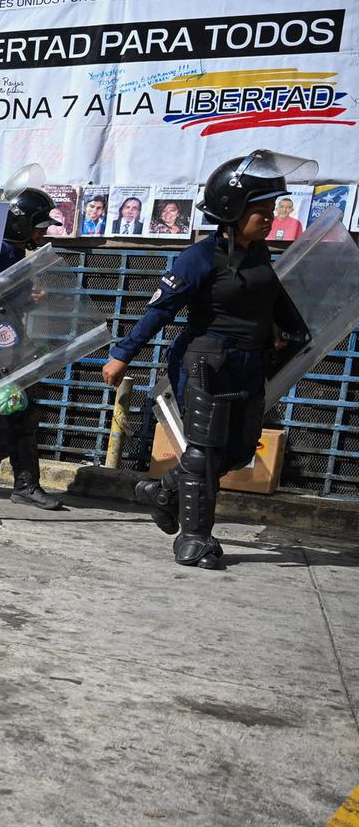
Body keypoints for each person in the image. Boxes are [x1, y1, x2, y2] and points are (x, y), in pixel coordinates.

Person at [101, 150, 313, 570]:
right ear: (233, 210)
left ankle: (161, 493)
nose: (269, 216)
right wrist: (123, 355)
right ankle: (194, 539)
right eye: (260, 209)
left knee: (235, 452)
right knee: (203, 451)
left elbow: (269, 299)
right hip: (207, 361)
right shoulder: (199, 257)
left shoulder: (258, 255)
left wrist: (285, 332)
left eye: (271, 208)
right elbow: (160, 310)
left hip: (249, 363)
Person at [0, 186, 65, 510]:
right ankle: (26, 484)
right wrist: (27, 298)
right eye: (39, 225)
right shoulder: (6, 252)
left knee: (14, 411)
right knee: (20, 412)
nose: (42, 232)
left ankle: (26, 483)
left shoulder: (11, 250)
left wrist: (27, 299)